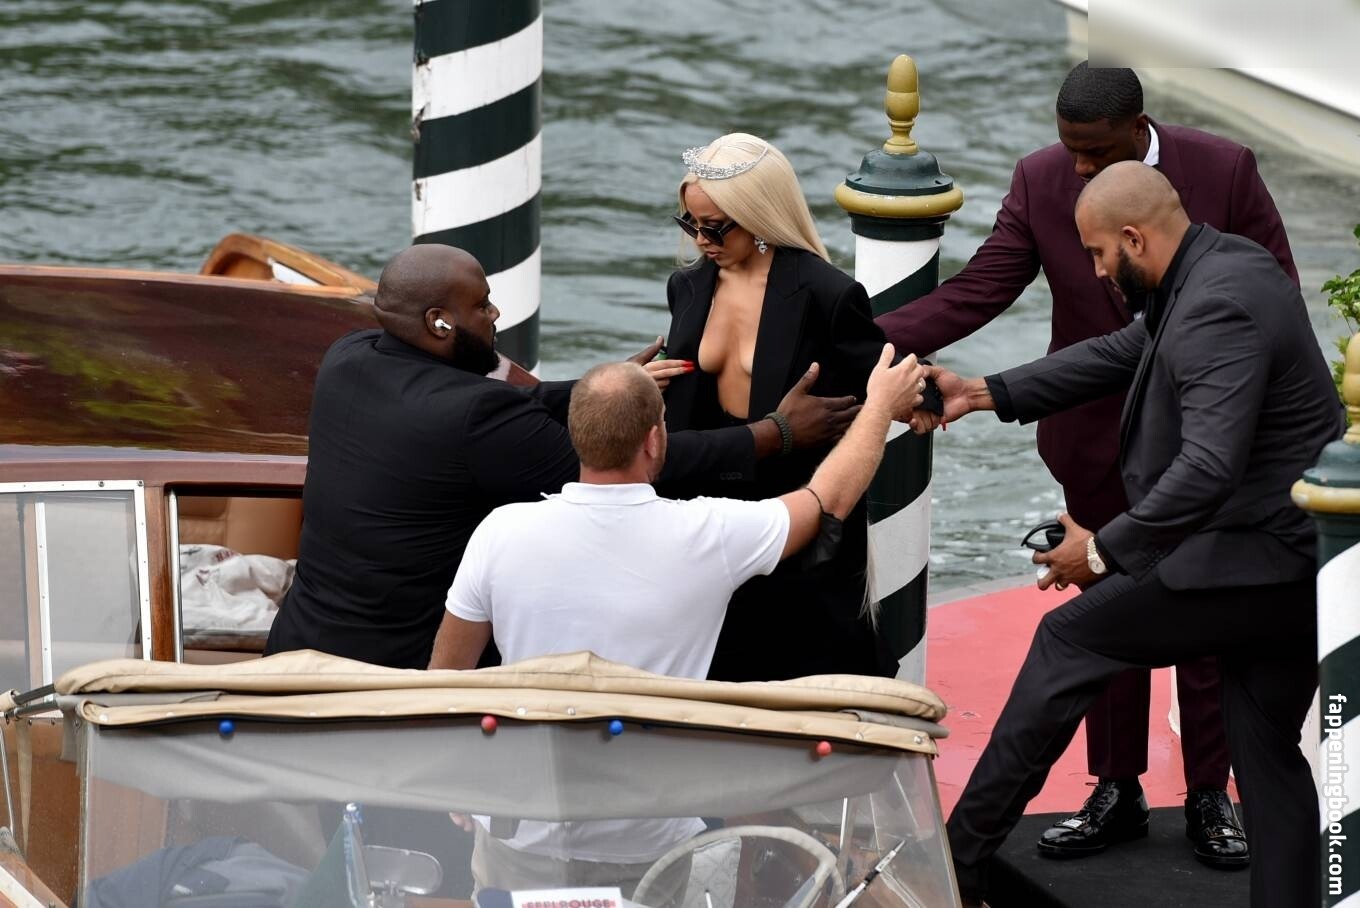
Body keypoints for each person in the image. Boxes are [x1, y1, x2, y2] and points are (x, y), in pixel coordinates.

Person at [879, 62, 1299, 864]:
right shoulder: (1040, 178)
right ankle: (1116, 786)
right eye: (1069, 148)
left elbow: (1273, 289)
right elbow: (980, 289)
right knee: (1104, 606)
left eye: (1096, 152)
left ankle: (1209, 792)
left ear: (1139, 129)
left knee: (1200, 606)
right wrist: (856, 339)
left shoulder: (1224, 169)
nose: (1078, 167)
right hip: (1091, 430)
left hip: (1208, 433)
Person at [917, 161, 1343, 908]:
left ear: (1134, 238)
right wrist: (982, 393)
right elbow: (1123, 351)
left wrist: (1100, 551)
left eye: (1098, 253)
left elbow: (1207, 467)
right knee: (1267, 753)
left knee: (1067, 641)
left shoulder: (1215, 308)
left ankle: (958, 866)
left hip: (1253, 562)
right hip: (1294, 559)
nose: (1095, 270)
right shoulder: (1226, 264)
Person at [427, 347, 926, 894]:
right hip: (648, 837)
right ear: (654, 440)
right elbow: (827, 499)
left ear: (576, 437)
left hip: (519, 828)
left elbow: (447, 678)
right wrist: (880, 408)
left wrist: (458, 779)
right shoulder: (707, 535)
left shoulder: (499, 532)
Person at [265, 243, 860, 670]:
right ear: (439, 323)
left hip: (300, 643)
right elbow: (618, 460)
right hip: (396, 668)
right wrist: (774, 434)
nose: (495, 315)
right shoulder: (476, 420)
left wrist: (604, 388)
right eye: (482, 305)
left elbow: (504, 402)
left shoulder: (349, 356)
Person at [649, 132, 893, 683]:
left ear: (759, 217)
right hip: (708, 504)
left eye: (715, 227)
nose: (701, 240)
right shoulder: (687, 286)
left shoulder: (828, 294)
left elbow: (882, 379)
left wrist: (933, 394)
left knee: (808, 667)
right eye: (690, 224)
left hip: (794, 505)